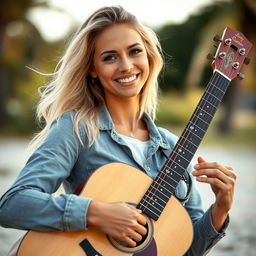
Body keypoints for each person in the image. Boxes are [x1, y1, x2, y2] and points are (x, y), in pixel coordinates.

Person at [0, 5, 236, 255]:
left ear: (148, 56)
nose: (126, 66)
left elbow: (184, 250)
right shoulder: (76, 128)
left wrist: (220, 208)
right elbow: (13, 205)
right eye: (109, 57)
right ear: (93, 69)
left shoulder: (175, 149)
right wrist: (96, 213)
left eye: (134, 51)